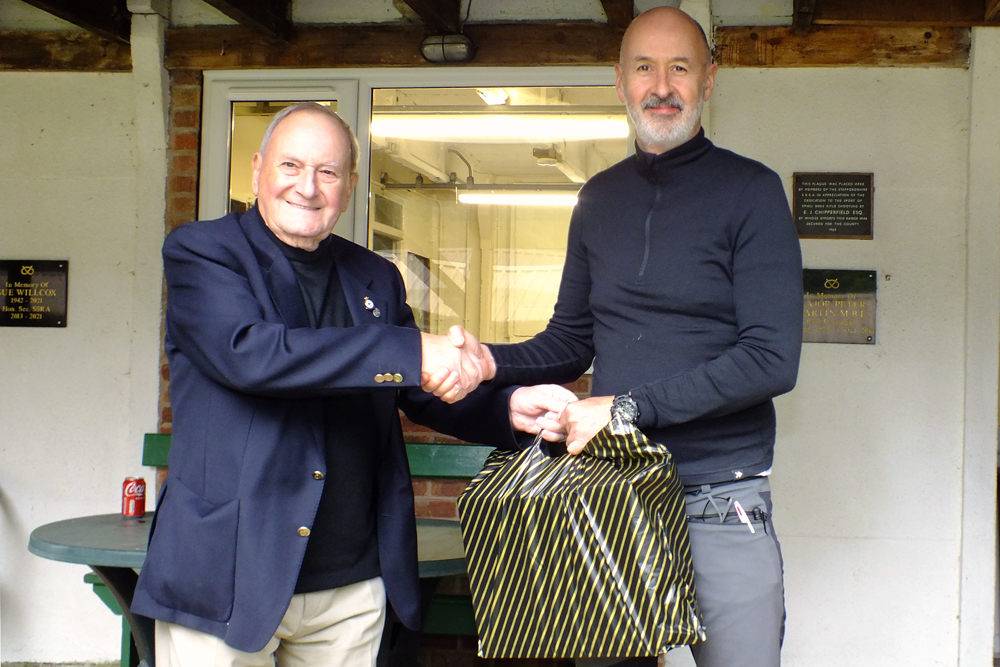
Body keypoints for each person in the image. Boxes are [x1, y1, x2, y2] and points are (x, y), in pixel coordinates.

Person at [131, 102, 575, 667]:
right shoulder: (204, 252)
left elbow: (415, 390)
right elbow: (254, 355)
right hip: (229, 572)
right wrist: (413, 350)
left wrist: (509, 407)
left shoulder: (375, 275)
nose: (308, 187)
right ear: (257, 169)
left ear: (350, 185)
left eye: (328, 172)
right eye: (291, 166)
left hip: (351, 582)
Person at [428, 7, 803, 667]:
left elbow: (771, 360)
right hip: (610, 494)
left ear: (709, 80)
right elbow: (571, 342)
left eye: (680, 67)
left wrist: (626, 409)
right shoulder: (598, 199)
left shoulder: (752, 192)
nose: (662, 85)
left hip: (720, 499)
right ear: (619, 79)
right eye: (644, 67)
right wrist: (492, 361)